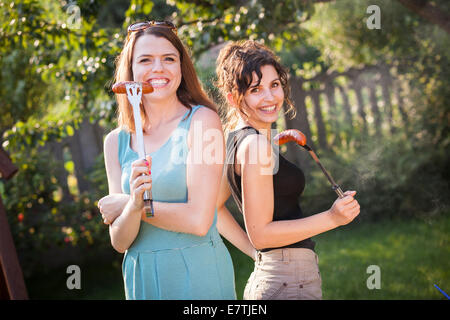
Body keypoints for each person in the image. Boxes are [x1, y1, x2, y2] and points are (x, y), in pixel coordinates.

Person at [99, 21, 250, 300]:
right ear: (130, 71)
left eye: (169, 59)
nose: (158, 68)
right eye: (145, 60)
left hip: (196, 272)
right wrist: (131, 207)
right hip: (140, 275)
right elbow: (120, 242)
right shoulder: (115, 142)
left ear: (181, 67)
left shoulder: (202, 122)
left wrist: (133, 205)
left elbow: (199, 221)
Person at [215, 40, 361, 300]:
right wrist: (332, 218)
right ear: (233, 98)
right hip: (288, 284)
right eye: (256, 89)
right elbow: (260, 234)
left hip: (275, 276)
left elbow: (214, 209)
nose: (270, 97)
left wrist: (256, 255)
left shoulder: (238, 141)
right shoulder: (255, 146)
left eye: (274, 85)